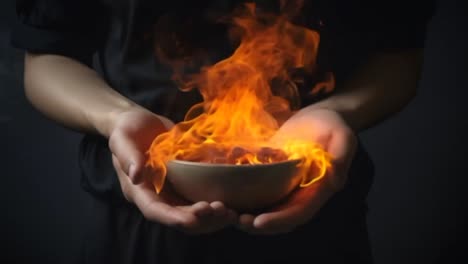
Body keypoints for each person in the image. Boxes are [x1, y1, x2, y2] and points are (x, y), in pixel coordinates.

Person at [11, 0, 435, 263]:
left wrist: (338, 110)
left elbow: (398, 55)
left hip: (318, 223)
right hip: (134, 229)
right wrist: (116, 117)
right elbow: (47, 57)